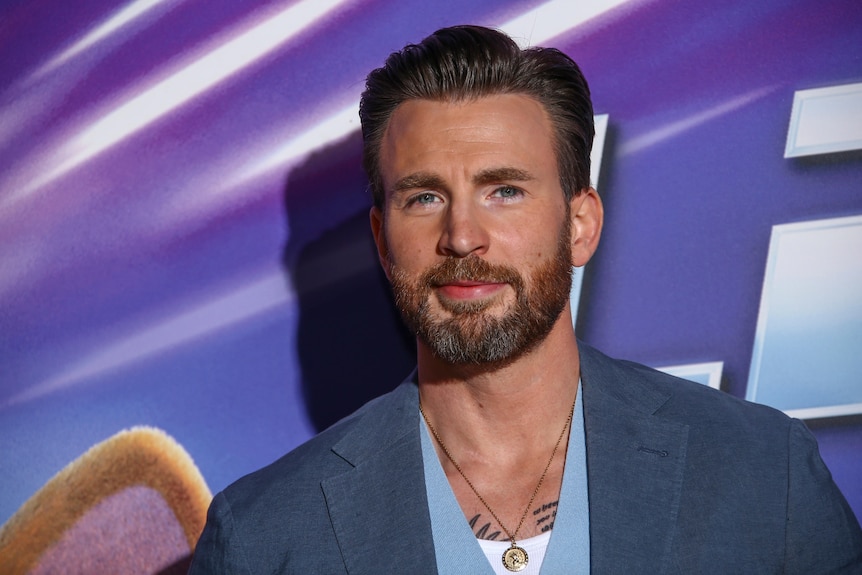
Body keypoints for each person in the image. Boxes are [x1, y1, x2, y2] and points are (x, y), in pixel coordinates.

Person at [189, 25, 862, 574]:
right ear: (381, 237)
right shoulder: (265, 538)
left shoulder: (764, 475)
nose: (461, 236)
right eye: (424, 197)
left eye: (504, 189)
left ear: (580, 224)